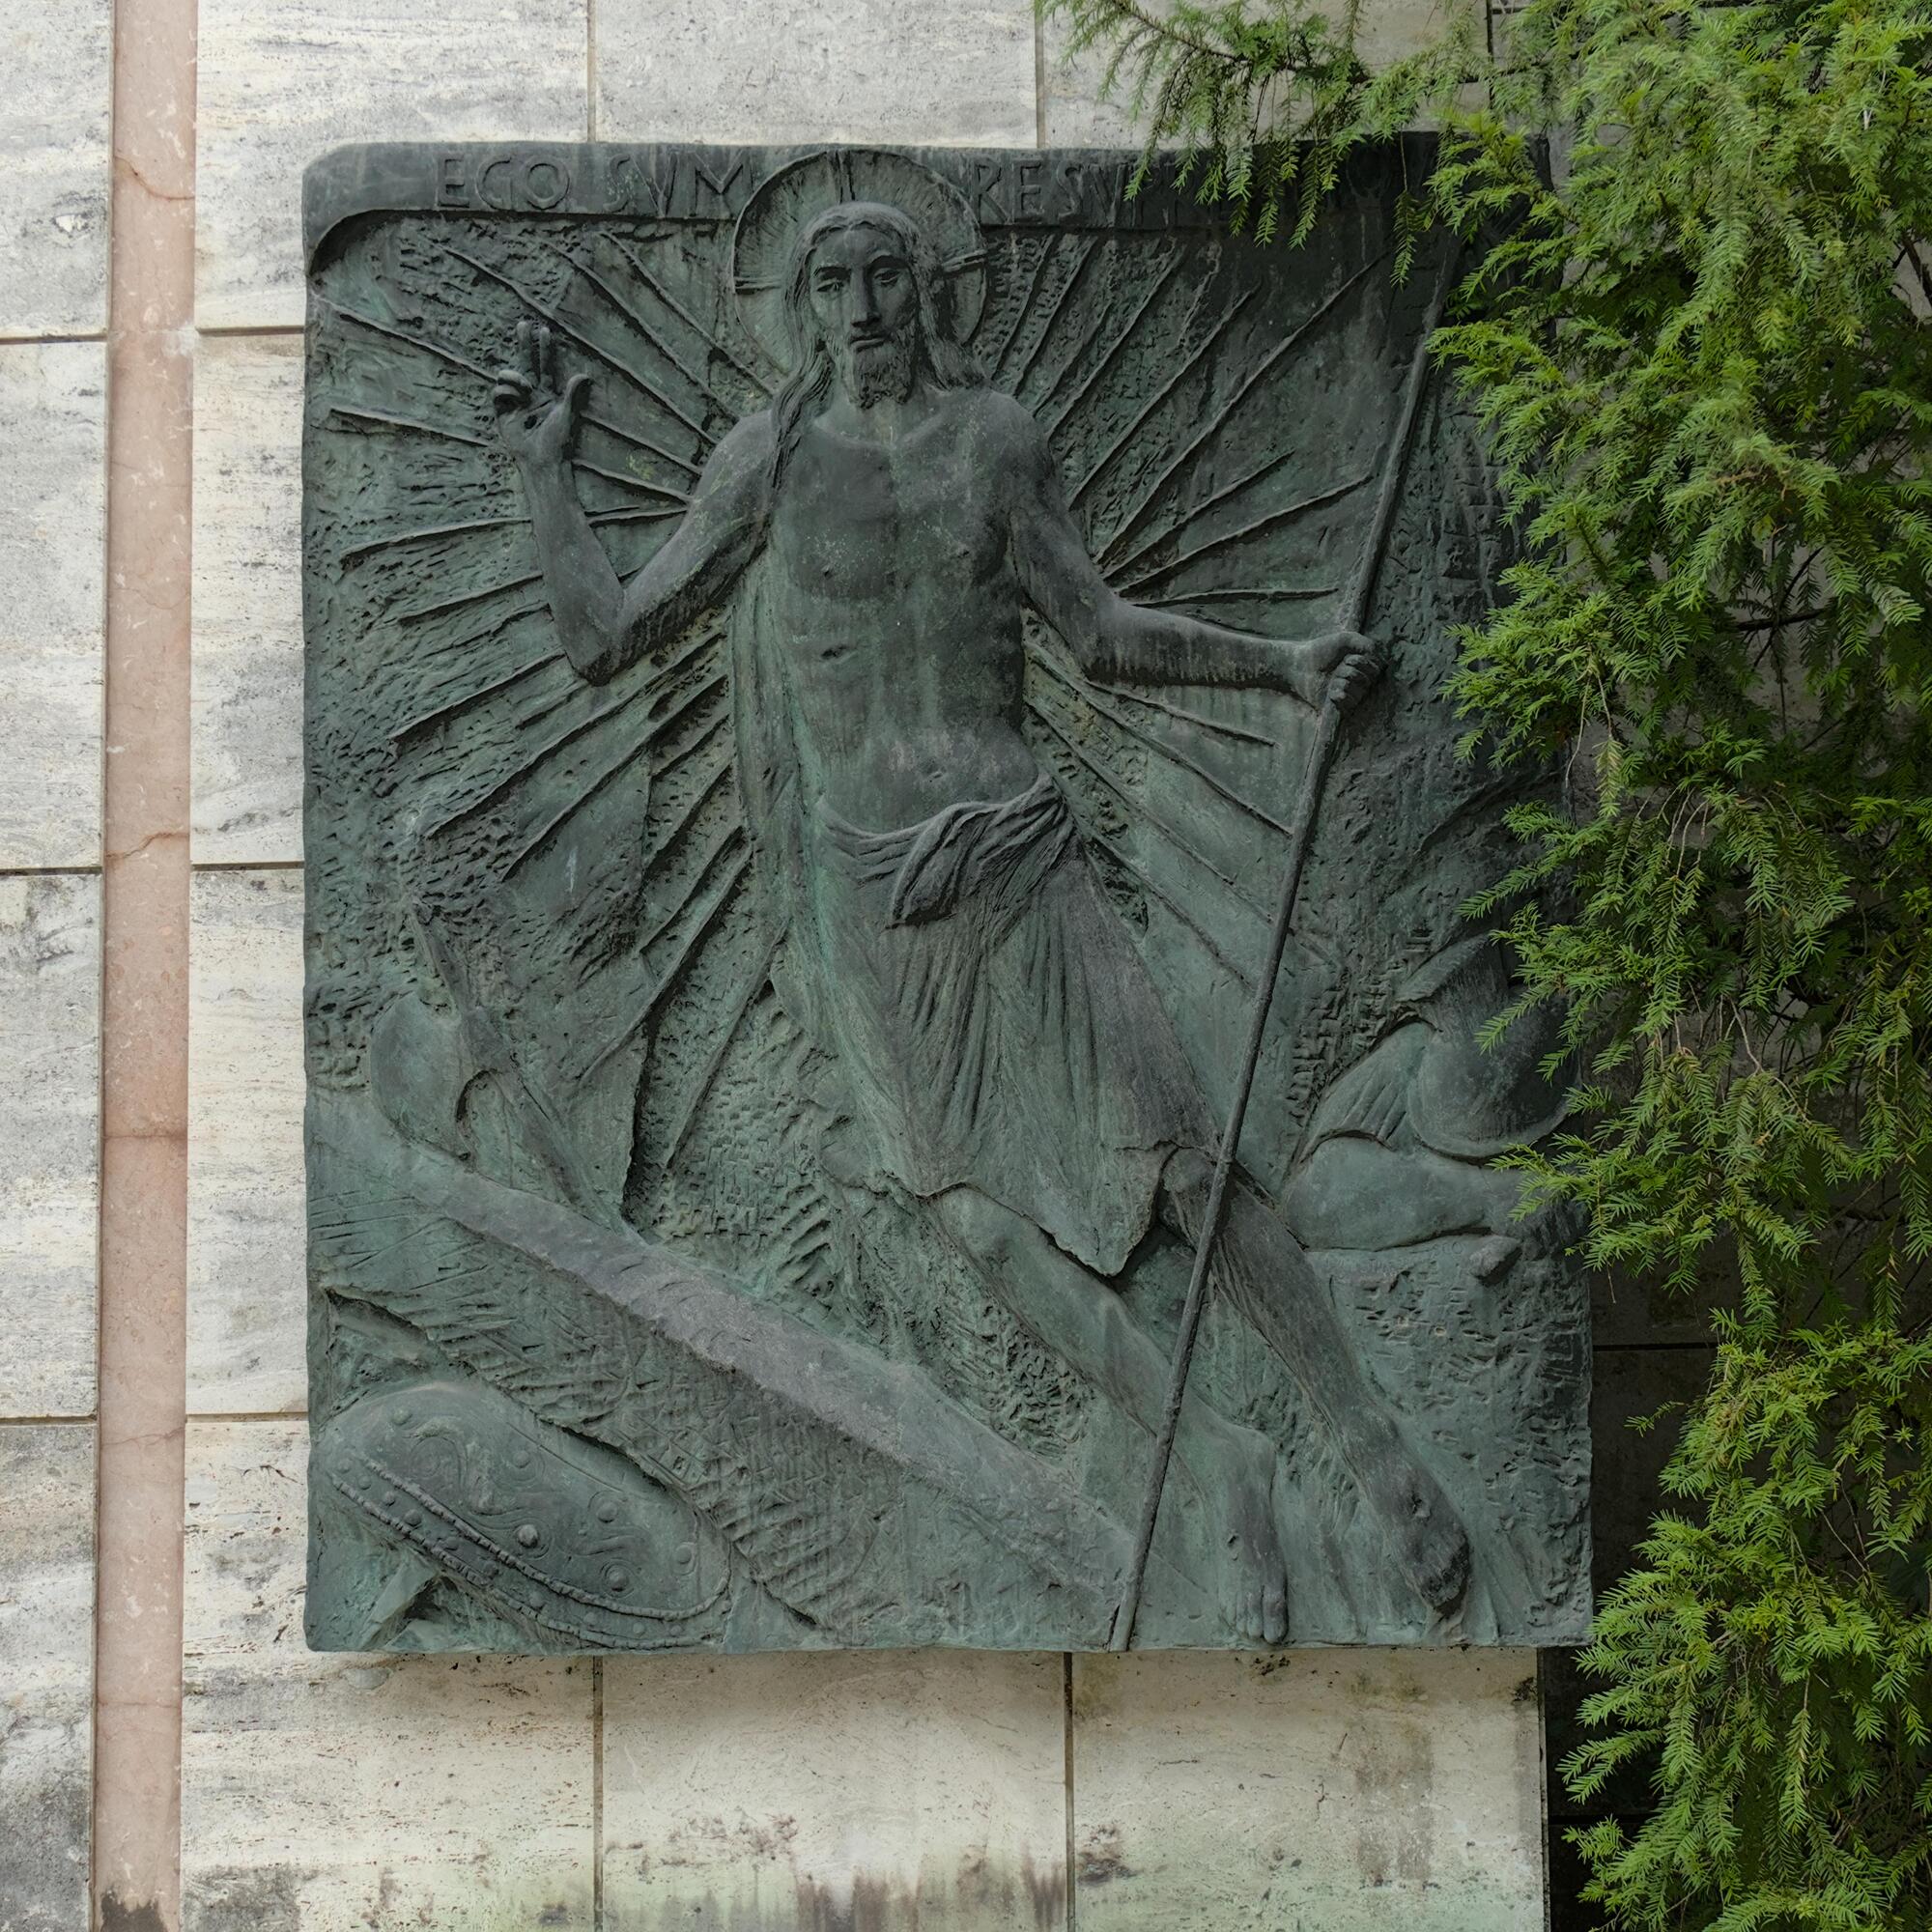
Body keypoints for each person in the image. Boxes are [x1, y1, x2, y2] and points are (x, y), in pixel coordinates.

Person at [493, 197, 1470, 1639]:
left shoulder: (992, 442)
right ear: (803, 303)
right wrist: (543, 481)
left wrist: (1279, 665)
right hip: (879, 907)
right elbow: (606, 635)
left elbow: (1101, 632)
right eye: (835, 283)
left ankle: (1379, 1454)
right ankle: (1218, 1459)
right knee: (976, 1222)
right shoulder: (764, 464)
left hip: (1019, 856)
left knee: (1189, 1173)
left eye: (888, 277)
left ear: (930, 289)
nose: (865, 308)